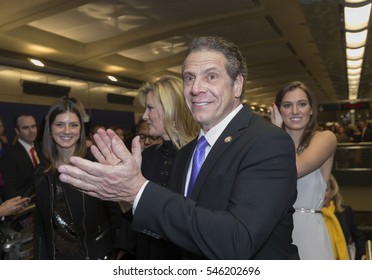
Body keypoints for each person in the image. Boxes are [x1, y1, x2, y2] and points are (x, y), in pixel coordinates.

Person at [58, 36, 299, 260]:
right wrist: (125, 195)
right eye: (189, 77)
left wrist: (138, 191)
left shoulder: (267, 142)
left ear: (238, 85)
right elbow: (178, 227)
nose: (196, 88)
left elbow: (237, 241)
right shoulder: (187, 153)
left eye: (211, 76)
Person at [117, 75, 199, 259]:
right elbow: (133, 217)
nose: (145, 116)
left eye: (150, 108)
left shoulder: (198, 157)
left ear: (170, 110)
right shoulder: (147, 155)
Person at [33, 98, 120, 260]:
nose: (67, 131)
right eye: (59, 124)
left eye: (73, 125)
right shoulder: (42, 172)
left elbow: (115, 215)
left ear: (80, 129)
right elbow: (41, 227)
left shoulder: (95, 164)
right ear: (50, 130)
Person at [271, 80, 336, 259]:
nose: (295, 111)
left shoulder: (325, 138)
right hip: (275, 232)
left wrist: (277, 132)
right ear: (277, 110)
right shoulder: (269, 145)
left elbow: (296, 168)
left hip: (310, 232)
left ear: (311, 109)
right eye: (287, 105)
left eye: (301, 104)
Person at [323, 174, 366, 260]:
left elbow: (358, 237)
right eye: (318, 190)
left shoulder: (345, 212)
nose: (322, 194)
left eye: (325, 190)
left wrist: (361, 256)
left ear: (332, 192)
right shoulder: (312, 215)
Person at [0, 114, 41, 200]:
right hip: (26, 207)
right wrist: (20, 204)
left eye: (33, 126)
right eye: (25, 128)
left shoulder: (41, 149)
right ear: (17, 131)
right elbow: (9, 188)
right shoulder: (10, 156)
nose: (31, 131)